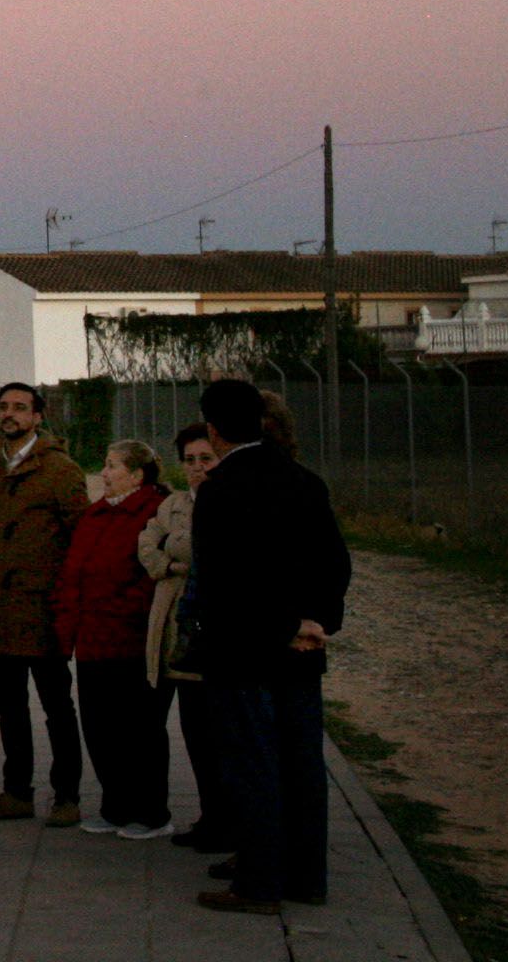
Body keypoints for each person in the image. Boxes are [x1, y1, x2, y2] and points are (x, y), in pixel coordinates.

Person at [189, 377, 350, 916]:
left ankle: (259, 882)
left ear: (213, 429)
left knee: (253, 765)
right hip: (301, 651)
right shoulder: (304, 480)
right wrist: (316, 622)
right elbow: (334, 563)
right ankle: (308, 878)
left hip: (243, 651)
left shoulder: (220, 490)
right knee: (302, 764)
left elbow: (229, 581)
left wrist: (284, 624)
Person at [0, 381, 89, 826]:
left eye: (20, 407)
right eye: (4, 407)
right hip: (0, 608)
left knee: (57, 706)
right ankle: (16, 792)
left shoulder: (59, 469)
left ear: (38, 416)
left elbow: (80, 534)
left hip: (43, 609)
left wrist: (46, 575)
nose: (10, 414)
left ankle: (67, 796)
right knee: (9, 706)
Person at [54, 437, 172, 838]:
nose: (103, 474)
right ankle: (115, 804)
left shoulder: (156, 512)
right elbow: (72, 573)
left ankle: (151, 811)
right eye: (104, 465)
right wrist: (66, 630)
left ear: (137, 475)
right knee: (100, 728)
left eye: (111, 466)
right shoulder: (96, 515)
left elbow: (151, 577)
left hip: (131, 642)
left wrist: (122, 611)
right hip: (92, 641)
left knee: (138, 730)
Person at [136, 422, 224, 851]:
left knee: (210, 737)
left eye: (205, 458)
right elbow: (146, 546)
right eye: (189, 460)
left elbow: (205, 548)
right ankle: (198, 816)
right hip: (167, 630)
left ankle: (222, 818)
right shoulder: (172, 503)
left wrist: (175, 546)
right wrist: (171, 561)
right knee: (185, 734)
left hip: (204, 638)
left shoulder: (226, 502)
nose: (197, 468)